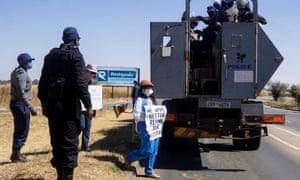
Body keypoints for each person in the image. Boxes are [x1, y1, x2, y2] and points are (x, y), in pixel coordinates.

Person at [38, 27, 93, 180]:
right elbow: (81, 84)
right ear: (75, 39)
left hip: (52, 107)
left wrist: (43, 104)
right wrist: (88, 105)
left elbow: (43, 82)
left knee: (57, 142)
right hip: (68, 107)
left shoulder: (50, 56)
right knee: (69, 143)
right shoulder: (75, 55)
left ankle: (59, 176)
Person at [124, 80, 161, 179]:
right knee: (148, 150)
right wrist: (148, 115)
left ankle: (149, 171)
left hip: (155, 128)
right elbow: (136, 115)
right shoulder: (140, 100)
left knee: (154, 150)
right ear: (142, 89)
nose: (149, 90)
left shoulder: (153, 101)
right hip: (144, 127)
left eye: (150, 87)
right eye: (146, 88)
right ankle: (129, 157)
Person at [10, 53, 38, 163]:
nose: (30, 63)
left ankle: (16, 153)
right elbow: (22, 94)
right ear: (22, 62)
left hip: (19, 104)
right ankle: (16, 155)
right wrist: (31, 107)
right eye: (28, 61)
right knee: (22, 130)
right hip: (20, 105)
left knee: (20, 129)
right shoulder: (21, 74)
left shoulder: (19, 71)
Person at [79, 64, 97, 152]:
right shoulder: (80, 81)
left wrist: (97, 106)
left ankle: (85, 146)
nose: (93, 75)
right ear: (86, 72)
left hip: (90, 109)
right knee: (81, 126)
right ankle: (73, 144)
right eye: (92, 73)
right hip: (81, 108)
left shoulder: (92, 83)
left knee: (88, 127)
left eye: (94, 74)